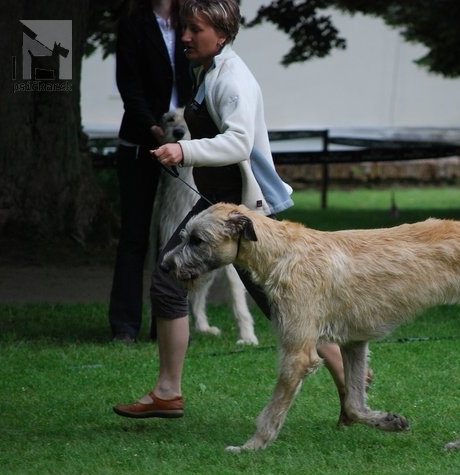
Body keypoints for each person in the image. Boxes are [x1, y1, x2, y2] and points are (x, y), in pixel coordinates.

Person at [113, 0, 358, 419]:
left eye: (194, 30)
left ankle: (353, 386)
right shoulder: (207, 70)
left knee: (283, 301)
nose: (185, 37)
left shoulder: (232, 79)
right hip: (220, 206)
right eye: (185, 28)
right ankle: (168, 392)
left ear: (222, 34)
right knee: (176, 282)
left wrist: (182, 149)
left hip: (246, 212)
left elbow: (240, 142)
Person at [109, 0, 193, 344]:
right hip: (142, 141)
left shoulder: (192, 21)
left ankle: (167, 324)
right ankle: (125, 326)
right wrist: (152, 127)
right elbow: (129, 86)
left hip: (186, 143)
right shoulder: (133, 23)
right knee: (134, 236)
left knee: (177, 235)